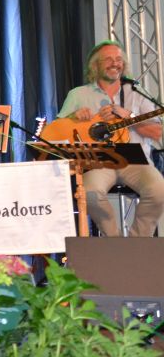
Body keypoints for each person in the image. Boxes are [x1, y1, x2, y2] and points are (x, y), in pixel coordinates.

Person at [57, 41, 164, 237]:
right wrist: (73, 117)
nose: (115, 63)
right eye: (108, 59)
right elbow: (57, 132)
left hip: (136, 162)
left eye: (119, 59)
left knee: (159, 190)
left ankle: (138, 243)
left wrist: (128, 116)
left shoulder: (137, 92)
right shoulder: (78, 94)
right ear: (95, 66)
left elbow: (157, 132)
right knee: (89, 193)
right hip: (98, 162)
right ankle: (114, 241)